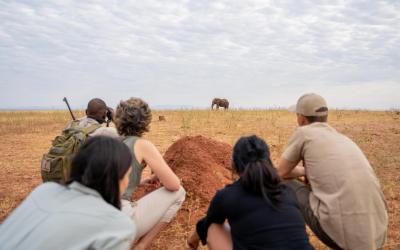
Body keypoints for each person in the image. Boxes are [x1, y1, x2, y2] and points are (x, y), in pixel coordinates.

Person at [277, 93, 388, 250]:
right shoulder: (342, 139)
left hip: (342, 237)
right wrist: (307, 171)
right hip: (377, 234)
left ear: (301, 119)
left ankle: (284, 239)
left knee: (282, 183)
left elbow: (281, 173)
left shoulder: (304, 133)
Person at [0, 136, 136, 250]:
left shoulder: (45, 191)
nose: (128, 181)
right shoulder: (117, 226)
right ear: (115, 177)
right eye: (128, 175)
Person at [187, 135, 314, 250]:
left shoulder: (227, 196)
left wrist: (192, 240)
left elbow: (206, 223)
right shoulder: (288, 191)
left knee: (213, 227)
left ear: (234, 165)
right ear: (268, 162)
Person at [114, 97, 186, 250]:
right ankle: (142, 245)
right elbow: (173, 185)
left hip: (99, 218)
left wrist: (139, 182)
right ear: (145, 122)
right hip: (121, 220)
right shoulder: (142, 144)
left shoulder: (112, 143)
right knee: (180, 191)